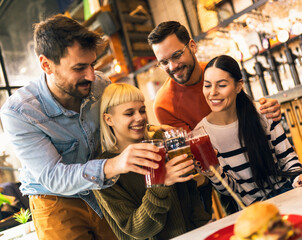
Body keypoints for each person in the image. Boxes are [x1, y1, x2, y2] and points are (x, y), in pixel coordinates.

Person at [0, 14, 162, 240]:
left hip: (105, 191)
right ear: (46, 64)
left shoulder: (100, 84)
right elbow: (53, 176)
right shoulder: (20, 112)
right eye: (79, 68)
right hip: (55, 201)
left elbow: (123, 128)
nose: (90, 75)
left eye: (92, 64)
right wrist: (114, 164)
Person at [147, 21, 282, 214]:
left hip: (256, 151)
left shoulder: (218, 72)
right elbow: (198, 156)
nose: (172, 66)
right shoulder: (163, 104)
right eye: (164, 62)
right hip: (221, 175)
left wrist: (266, 109)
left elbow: (246, 107)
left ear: (192, 46)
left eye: (177, 55)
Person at [195, 55, 302, 209]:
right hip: (253, 209)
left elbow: (287, 157)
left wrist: (298, 177)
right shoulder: (202, 134)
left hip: (288, 194)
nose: (212, 93)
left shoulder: (263, 112)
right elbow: (232, 190)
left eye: (221, 85)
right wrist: (212, 173)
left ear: (238, 86)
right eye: (207, 85)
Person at [93, 83, 211, 240]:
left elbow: (192, 196)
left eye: (142, 111)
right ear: (109, 119)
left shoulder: (161, 141)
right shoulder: (103, 170)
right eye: (129, 113)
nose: (140, 118)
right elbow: (136, 229)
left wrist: (203, 177)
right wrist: (161, 184)